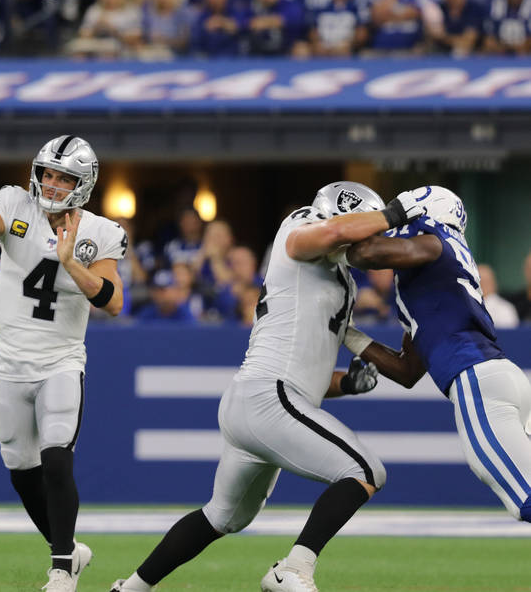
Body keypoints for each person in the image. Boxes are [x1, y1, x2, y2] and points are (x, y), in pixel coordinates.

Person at [110, 182, 426, 592]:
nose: (370, 242)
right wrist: (396, 214)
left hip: (262, 401)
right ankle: (292, 570)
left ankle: (130, 588)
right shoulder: (302, 226)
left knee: (221, 518)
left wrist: (348, 381)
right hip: (268, 398)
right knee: (364, 470)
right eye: (364, 230)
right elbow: (329, 234)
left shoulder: (339, 284)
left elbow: (350, 370)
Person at [0, 135, 126, 592]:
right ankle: (68, 550)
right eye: (47, 173)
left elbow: (113, 301)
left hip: (60, 360)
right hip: (8, 361)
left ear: (83, 184)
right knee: (20, 467)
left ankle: (61, 570)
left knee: (55, 458)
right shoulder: (14, 205)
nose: (50, 183)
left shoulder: (99, 232)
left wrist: (71, 262)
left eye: (63, 177)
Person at [346, 186, 531, 525]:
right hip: (500, 379)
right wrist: (347, 334)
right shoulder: (430, 282)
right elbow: (407, 371)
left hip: (478, 381)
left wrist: (339, 237)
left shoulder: (435, 242)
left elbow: (367, 253)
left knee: (528, 501)